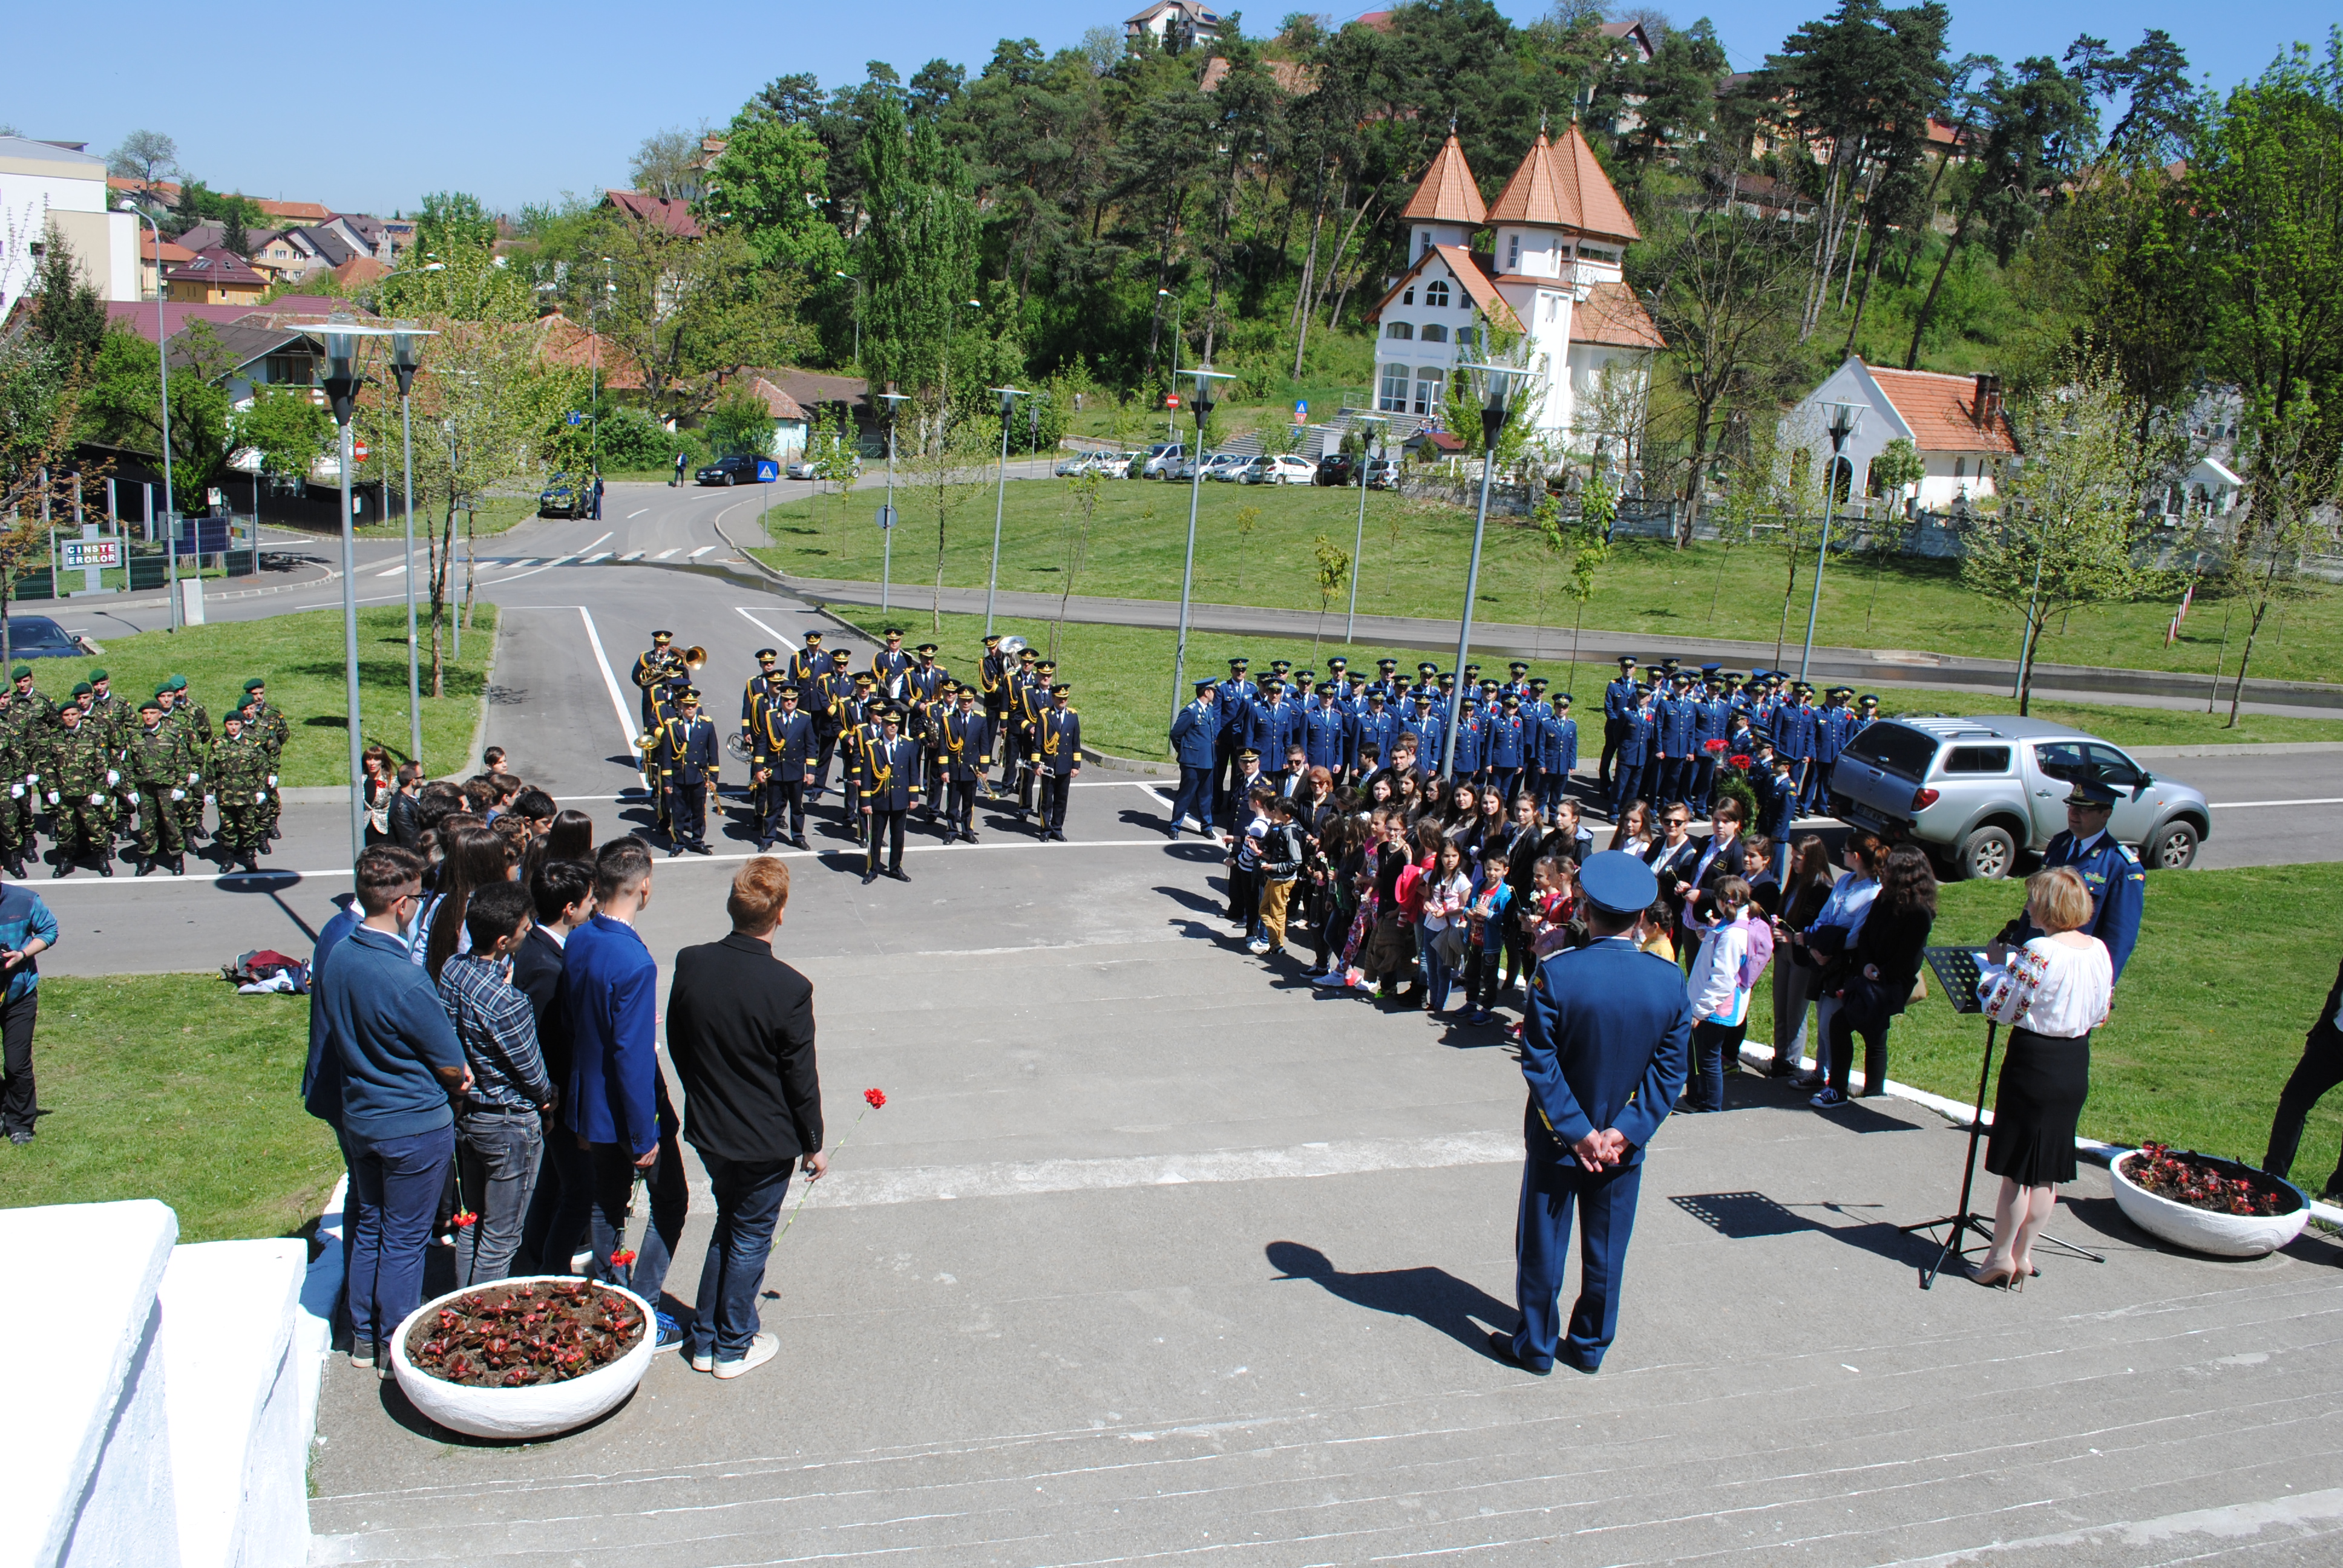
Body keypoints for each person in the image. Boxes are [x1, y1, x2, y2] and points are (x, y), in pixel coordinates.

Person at [1495, 851, 1689, 1376]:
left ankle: (1536, 1346)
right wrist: (1621, 1135)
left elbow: (1540, 1064)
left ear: (1585, 905)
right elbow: (1668, 1076)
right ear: (1643, 917)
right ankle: (1589, 1345)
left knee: (1543, 1248)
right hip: (1622, 1147)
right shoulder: (1668, 982)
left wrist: (1579, 1134)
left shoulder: (1559, 975)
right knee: (1605, 1252)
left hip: (1558, 1140)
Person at [665, 858, 827, 1379]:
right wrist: (813, 1142)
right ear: (779, 915)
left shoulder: (691, 961)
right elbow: (800, 1077)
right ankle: (734, 1342)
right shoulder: (789, 987)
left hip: (712, 1129)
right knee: (750, 1236)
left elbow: (677, 1040)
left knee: (729, 1225)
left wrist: (702, 1093)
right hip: (763, 1139)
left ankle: (707, 1337)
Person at [316, 846, 469, 1373]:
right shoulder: (405, 978)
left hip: (362, 1119)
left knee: (371, 1228)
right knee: (406, 1241)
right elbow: (452, 1063)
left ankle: (362, 1334)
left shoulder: (338, 954)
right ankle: (395, 1343)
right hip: (413, 1126)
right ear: (403, 904)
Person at [565, 838, 689, 1348]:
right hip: (627, 1112)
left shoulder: (581, 938)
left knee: (606, 1202)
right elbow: (632, 1058)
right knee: (671, 1201)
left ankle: (610, 1295)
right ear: (643, 887)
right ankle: (643, 1305)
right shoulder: (635, 964)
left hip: (589, 1104)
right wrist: (644, 1136)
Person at [1973, 867, 2111, 1288]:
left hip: (2034, 1061)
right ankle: (2024, 1255)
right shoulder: (2099, 951)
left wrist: (1994, 969)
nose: (2029, 907)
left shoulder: (2039, 951)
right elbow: (2102, 1013)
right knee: (2046, 1171)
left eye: (2034, 899)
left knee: (2017, 1170)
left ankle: (1998, 1256)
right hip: (2074, 1061)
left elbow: (2001, 1007)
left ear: (2049, 906)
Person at [437, 881, 554, 1285]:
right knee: (502, 1239)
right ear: (504, 941)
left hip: (469, 1116)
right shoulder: (507, 1003)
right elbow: (534, 1075)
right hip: (509, 1125)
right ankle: (486, 1322)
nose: (530, 931)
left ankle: (461, 1305)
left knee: (471, 1223)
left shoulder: (453, 970)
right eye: (526, 927)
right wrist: (547, 1098)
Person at [515, 858, 595, 1277]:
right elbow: (553, 1043)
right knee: (580, 1192)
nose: (593, 904)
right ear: (569, 909)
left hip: (553, 1096)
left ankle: (537, 1245)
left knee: (554, 1178)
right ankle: (552, 1269)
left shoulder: (538, 948)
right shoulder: (549, 968)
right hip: (558, 1096)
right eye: (588, 900)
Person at [1820, 841, 1938, 1106]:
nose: (1883, 870)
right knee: (1872, 1034)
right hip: (1869, 976)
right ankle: (1872, 1094)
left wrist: (1880, 972)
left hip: (1892, 983)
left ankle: (1842, 1090)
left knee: (1845, 1025)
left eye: (1890, 866)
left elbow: (1910, 959)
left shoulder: (1919, 913)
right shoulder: (1884, 898)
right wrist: (1866, 965)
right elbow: (1866, 938)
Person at [1993, 780, 2146, 983]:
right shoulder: (2060, 844)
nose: (2074, 814)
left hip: (2072, 971)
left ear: (2105, 814)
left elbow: (2120, 936)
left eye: (2084, 809)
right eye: (2071, 806)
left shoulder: (2120, 865)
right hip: (2033, 960)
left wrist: (2103, 986)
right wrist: (2016, 950)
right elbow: (2035, 904)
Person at [2263, 955, 2343, 1203]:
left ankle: (2339, 1191)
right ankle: (2272, 1177)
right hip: (2335, 1037)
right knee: (2293, 1099)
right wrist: (2321, 1028)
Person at [1679, 878, 1755, 1112]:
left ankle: (1711, 1107)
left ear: (1723, 902)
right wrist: (1710, 933)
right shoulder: (1730, 925)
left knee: (1709, 1059)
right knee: (1700, 1054)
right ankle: (1696, 1098)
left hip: (1716, 1007)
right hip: (1707, 1003)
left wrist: (1700, 1011)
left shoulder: (1734, 934)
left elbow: (1723, 979)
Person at [1770, 835, 1835, 1079]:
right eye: (1793, 858)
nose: (1793, 863)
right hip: (1784, 952)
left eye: (1799, 859)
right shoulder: (1796, 881)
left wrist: (1795, 935)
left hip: (1803, 956)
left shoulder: (1823, 889)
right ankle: (1780, 1056)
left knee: (1795, 1011)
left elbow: (1821, 926)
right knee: (1780, 1008)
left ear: (1813, 860)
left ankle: (1791, 1061)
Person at [0, 878, 57, 1143]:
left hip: (18, 998)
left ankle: (20, 1124)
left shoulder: (24, 901)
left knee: (17, 1063)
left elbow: (49, 931)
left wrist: (22, 955)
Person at [749, 684, 817, 852]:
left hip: (795, 770)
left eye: (793, 699)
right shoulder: (771, 717)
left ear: (797, 700)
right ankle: (768, 838)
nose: (789, 702)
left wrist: (811, 772)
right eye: (786, 699)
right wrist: (759, 768)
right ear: (782, 700)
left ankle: (798, 837)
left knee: (797, 807)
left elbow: (811, 746)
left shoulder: (804, 718)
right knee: (772, 807)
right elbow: (762, 744)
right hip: (776, 769)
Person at [860, 704, 921, 884]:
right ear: (883, 725)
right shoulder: (873, 746)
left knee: (898, 837)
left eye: (896, 723)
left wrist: (914, 796)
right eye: (889, 723)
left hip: (900, 799)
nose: (893, 726)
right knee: (876, 837)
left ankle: (895, 868)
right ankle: (872, 869)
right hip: (880, 798)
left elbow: (913, 771)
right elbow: (866, 775)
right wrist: (866, 801)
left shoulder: (908, 744)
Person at [1168, 681, 1218, 837]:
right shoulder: (1191, 711)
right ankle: (1175, 826)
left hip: (1208, 761)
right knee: (1185, 796)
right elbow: (1175, 734)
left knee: (1206, 797)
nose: (1215, 693)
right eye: (1213, 690)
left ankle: (1206, 826)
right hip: (1192, 762)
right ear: (1206, 692)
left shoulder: (1209, 711)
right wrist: (1185, 752)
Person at [1033, 684, 1081, 841]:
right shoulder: (1045, 716)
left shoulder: (1073, 716)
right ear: (1053, 698)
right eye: (1060, 699)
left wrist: (1076, 766)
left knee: (1062, 799)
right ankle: (1045, 830)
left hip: (1065, 765)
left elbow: (1076, 743)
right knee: (1046, 800)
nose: (1063, 701)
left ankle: (1057, 829)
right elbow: (1038, 741)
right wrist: (1036, 764)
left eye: (1065, 698)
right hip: (1048, 765)